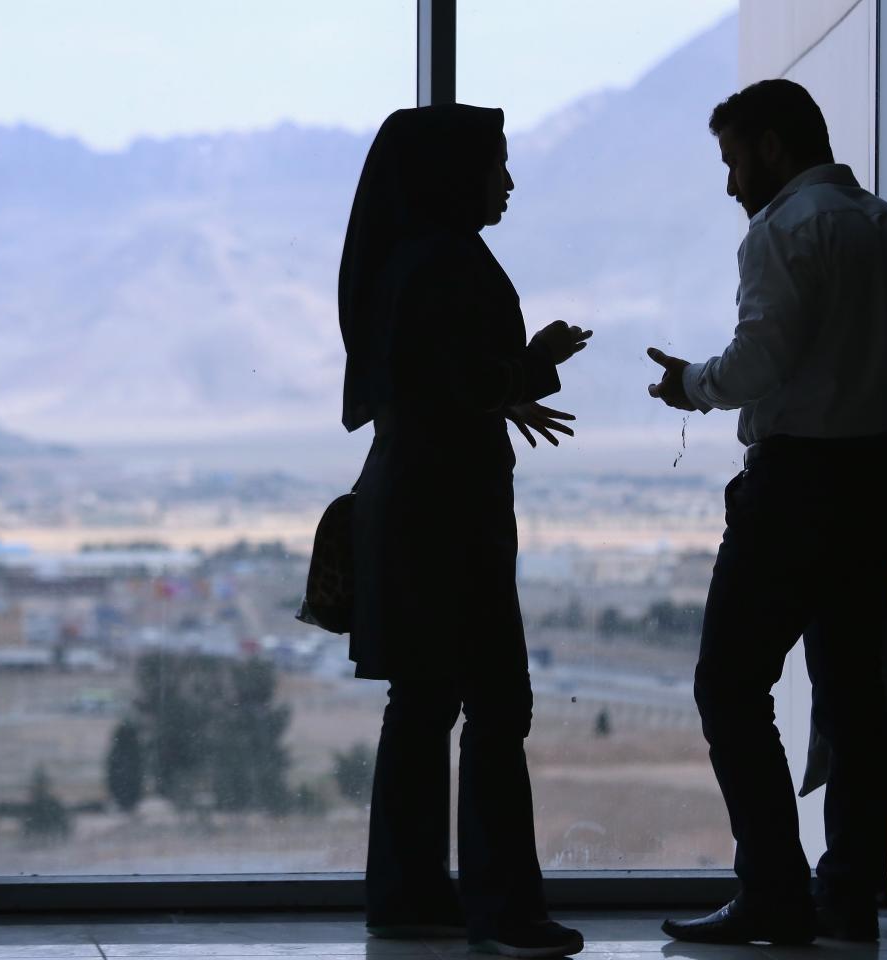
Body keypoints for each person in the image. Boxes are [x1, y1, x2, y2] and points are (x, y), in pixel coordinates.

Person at [648, 79, 887, 945]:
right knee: (854, 688)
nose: (731, 182)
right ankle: (847, 893)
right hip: (879, 483)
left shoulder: (786, 231)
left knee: (730, 684)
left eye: (735, 159)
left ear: (773, 148)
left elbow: (760, 360)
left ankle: (774, 890)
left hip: (797, 487)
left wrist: (689, 384)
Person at [337, 104, 591, 958]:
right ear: (454, 174)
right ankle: (504, 910)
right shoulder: (445, 263)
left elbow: (424, 382)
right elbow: (455, 381)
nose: (508, 182)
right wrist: (535, 362)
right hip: (450, 517)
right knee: (495, 702)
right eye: (497, 166)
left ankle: (408, 896)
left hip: (416, 507)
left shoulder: (408, 260)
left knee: (424, 702)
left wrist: (503, 389)